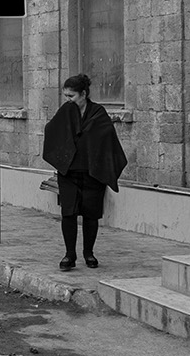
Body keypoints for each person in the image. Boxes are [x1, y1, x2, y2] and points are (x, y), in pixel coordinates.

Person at [42, 73, 127, 270]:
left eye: (71, 96)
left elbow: (106, 137)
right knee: (68, 213)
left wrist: (88, 140)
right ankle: (69, 255)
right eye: (65, 96)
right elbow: (52, 131)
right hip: (69, 173)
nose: (68, 100)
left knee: (90, 215)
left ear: (83, 94)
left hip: (92, 173)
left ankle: (89, 253)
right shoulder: (65, 112)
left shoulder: (98, 112)